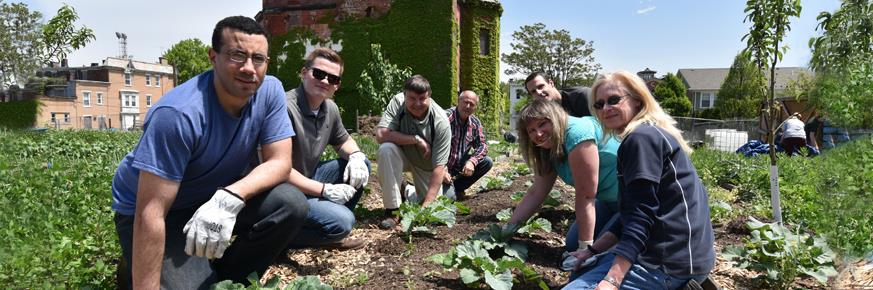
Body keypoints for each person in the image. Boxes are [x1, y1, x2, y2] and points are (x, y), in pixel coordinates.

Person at [111, 16, 308, 289]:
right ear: (213, 57)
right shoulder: (178, 115)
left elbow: (280, 162)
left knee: (291, 204)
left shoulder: (270, 90)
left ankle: (227, 280)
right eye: (237, 56)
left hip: (212, 196)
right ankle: (135, 265)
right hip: (156, 210)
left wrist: (229, 197)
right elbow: (151, 211)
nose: (249, 68)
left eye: (258, 59)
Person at [563, 71, 714, 290]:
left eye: (614, 100)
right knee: (582, 270)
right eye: (599, 104)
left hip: (669, 263)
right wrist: (593, 250)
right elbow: (629, 212)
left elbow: (641, 215)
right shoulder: (649, 133)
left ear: (636, 99)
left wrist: (612, 279)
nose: (606, 108)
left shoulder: (640, 139)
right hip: (678, 254)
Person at [507, 98, 621, 263]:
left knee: (601, 252)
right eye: (531, 130)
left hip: (632, 202)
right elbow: (536, 193)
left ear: (555, 118)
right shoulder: (548, 148)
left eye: (542, 124)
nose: (538, 134)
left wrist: (585, 250)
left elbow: (586, 195)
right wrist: (507, 230)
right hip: (606, 202)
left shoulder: (577, 133)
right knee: (572, 244)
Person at [282, 47, 370, 251]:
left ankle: (323, 224)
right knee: (344, 221)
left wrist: (356, 155)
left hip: (309, 176)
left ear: (337, 86)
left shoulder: (329, 108)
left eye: (333, 79)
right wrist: (326, 190)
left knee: (362, 163)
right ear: (304, 73)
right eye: (319, 74)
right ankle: (283, 236)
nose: (325, 81)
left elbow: (344, 141)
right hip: (283, 190)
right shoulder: (285, 108)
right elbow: (278, 170)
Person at [375, 75, 451, 229]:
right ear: (404, 96)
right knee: (386, 149)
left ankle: (407, 191)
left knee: (434, 214)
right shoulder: (398, 102)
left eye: (422, 98)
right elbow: (381, 135)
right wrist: (416, 139)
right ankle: (393, 211)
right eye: (412, 98)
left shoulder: (441, 122)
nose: (417, 104)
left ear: (429, 97)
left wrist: (425, 209)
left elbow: (439, 168)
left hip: (426, 166)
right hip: (402, 155)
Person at [443, 90, 492, 200]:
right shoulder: (444, 118)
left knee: (487, 162)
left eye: (472, 104)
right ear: (458, 101)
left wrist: (472, 161)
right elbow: (431, 145)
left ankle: (457, 188)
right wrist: (441, 168)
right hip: (440, 167)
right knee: (449, 199)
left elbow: (482, 145)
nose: (468, 106)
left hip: (457, 167)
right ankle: (449, 190)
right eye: (465, 102)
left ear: (475, 107)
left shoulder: (475, 123)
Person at [525, 72, 592, 117]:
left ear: (551, 83)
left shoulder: (582, 96)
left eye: (540, 86)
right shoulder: (542, 114)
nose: (538, 92)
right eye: (533, 91)